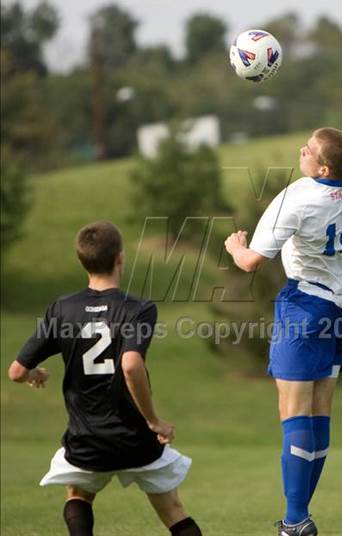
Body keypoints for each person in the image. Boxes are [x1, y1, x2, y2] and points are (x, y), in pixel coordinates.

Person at [224, 127, 342, 536]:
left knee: (294, 413)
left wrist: (234, 245)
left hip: (306, 307)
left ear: (323, 166)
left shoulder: (296, 197)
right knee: (320, 412)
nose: (301, 151)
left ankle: (295, 519)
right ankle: (298, 519)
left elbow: (251, 263)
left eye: (307, 150)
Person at [8, 221, 203, 536]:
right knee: (173, 512)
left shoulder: (62, 308)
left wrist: (35, 373)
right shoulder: (138, 308)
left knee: (78, 496)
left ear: (82, 260)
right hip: (135, 440)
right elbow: (130, 364)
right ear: (120, 258)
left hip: (86, 440)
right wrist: (154, 420)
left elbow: (16, 371)